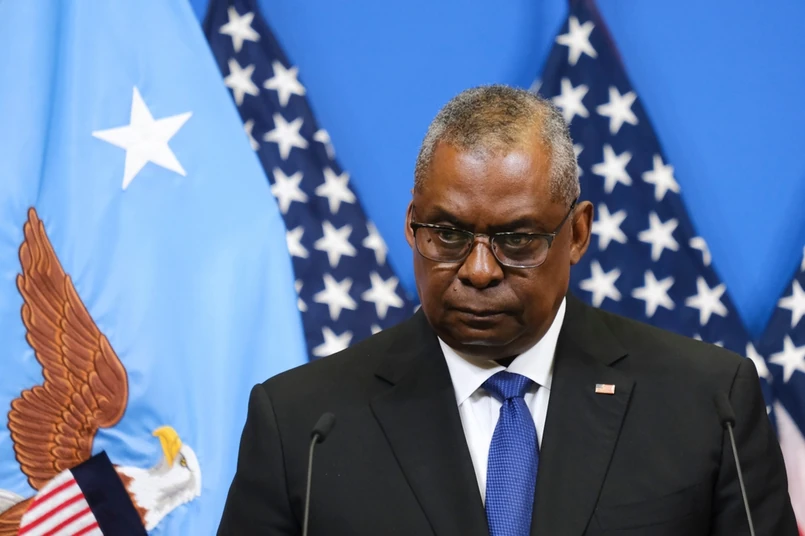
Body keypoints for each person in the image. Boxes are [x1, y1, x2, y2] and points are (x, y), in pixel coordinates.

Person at [217, 85, 797, 536]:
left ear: (577, 234)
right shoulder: (304, 428)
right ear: (412, 225)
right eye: (448, 234)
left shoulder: (706, 403)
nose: (478, 270)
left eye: (517, 239)